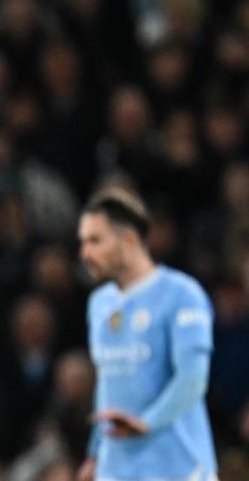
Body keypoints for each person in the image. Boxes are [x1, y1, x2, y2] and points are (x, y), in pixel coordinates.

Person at [76, 188, 217, 481]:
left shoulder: (182, 294)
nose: (85, 253)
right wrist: (95, 453)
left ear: (128, 239)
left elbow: (193, 378)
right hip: (117, 471)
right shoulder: (99, 304)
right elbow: (107, 382)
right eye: (83, 242)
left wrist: (146, 423)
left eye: (95, 241)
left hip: (179, 467)